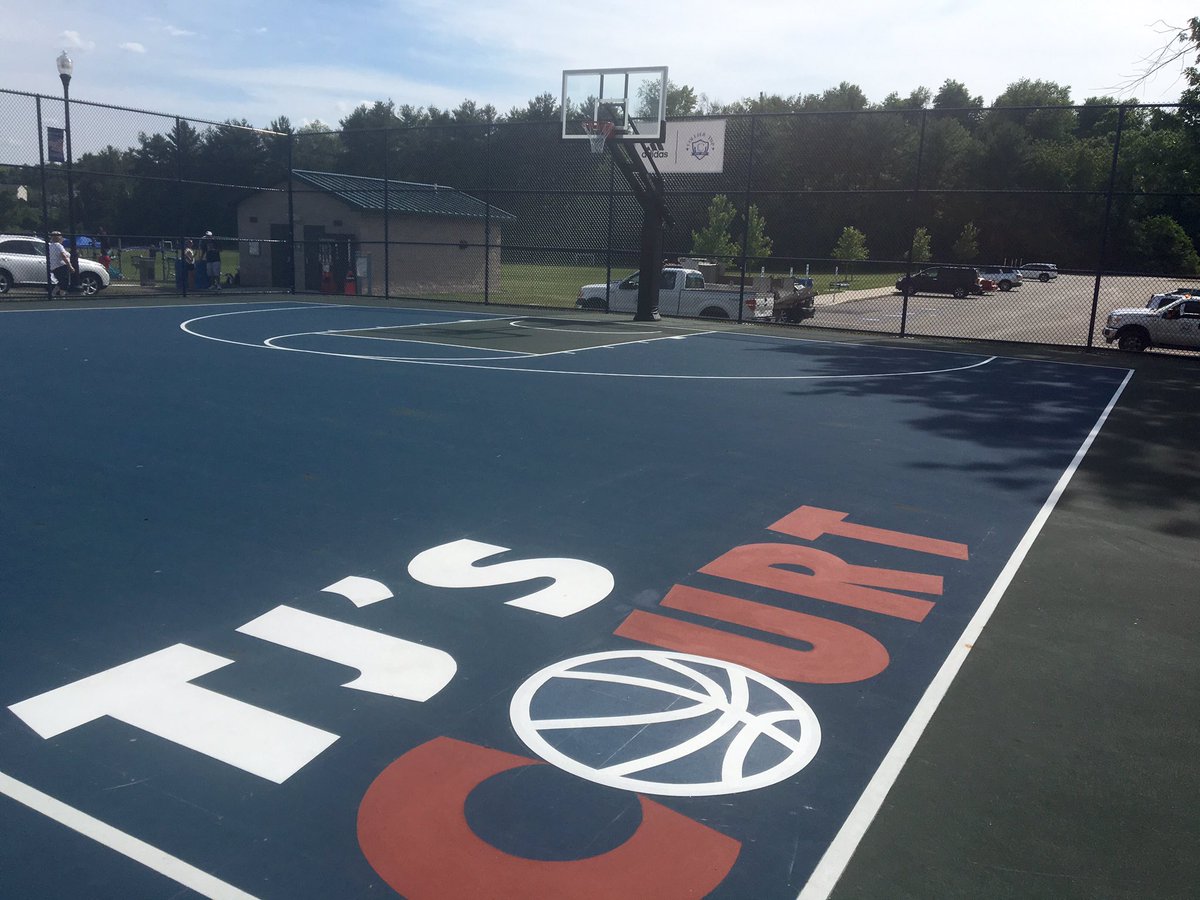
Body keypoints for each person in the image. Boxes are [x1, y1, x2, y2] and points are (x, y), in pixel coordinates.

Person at [47, 230, 74, 298]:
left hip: (54, 266)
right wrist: (70, 266)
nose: (61, 237)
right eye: (59, 236)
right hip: (61, 266)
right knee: (65, 282)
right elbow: (63, 256)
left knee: (61, 281)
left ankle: (53, 293)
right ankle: (62, 295)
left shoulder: (50, 246)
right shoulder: (58, 246)